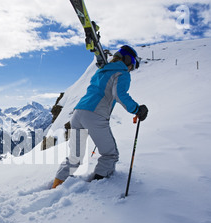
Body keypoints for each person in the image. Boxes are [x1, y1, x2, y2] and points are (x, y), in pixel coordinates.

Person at [52, 45, 148, 189]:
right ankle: (98, 187)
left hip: (78, 113)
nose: (131, 69)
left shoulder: (102, 71)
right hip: (95, 116)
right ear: (128, 60)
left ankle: (57, 185)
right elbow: (119, 95)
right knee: (110, 155)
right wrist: (136, 109)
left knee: (75, 156)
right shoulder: (122, 73)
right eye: (133, 65)